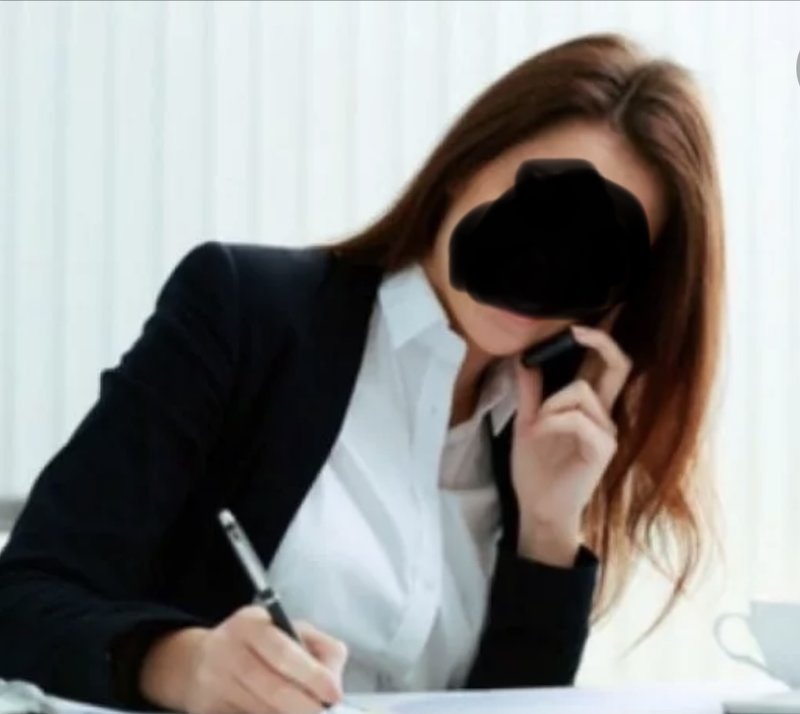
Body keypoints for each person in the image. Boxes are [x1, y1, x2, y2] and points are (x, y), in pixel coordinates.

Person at [0, 32, 724, 714]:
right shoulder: (247, 313)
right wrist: (184, 666)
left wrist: (547, 528)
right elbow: (24, 597)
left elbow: (510, 708)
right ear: (462, 169)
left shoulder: (545, 438)